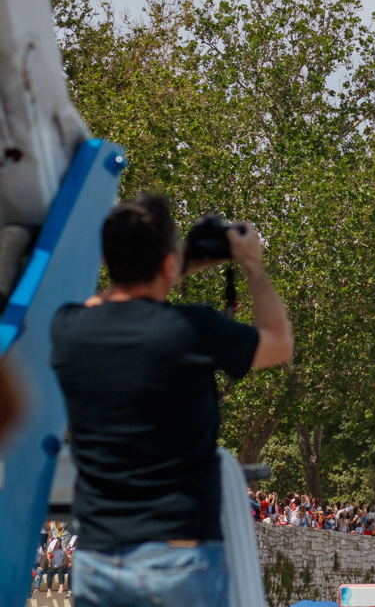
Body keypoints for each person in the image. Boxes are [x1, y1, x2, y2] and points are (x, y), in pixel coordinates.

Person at [51, 193, 294, 607]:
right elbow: (278, 343)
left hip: (97, 559)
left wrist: (163, 265)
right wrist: (251, 263)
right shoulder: (190, 329)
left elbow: (107, 300)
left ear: (106, 260)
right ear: (168, 263)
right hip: (177, 559)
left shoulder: (69, 328)